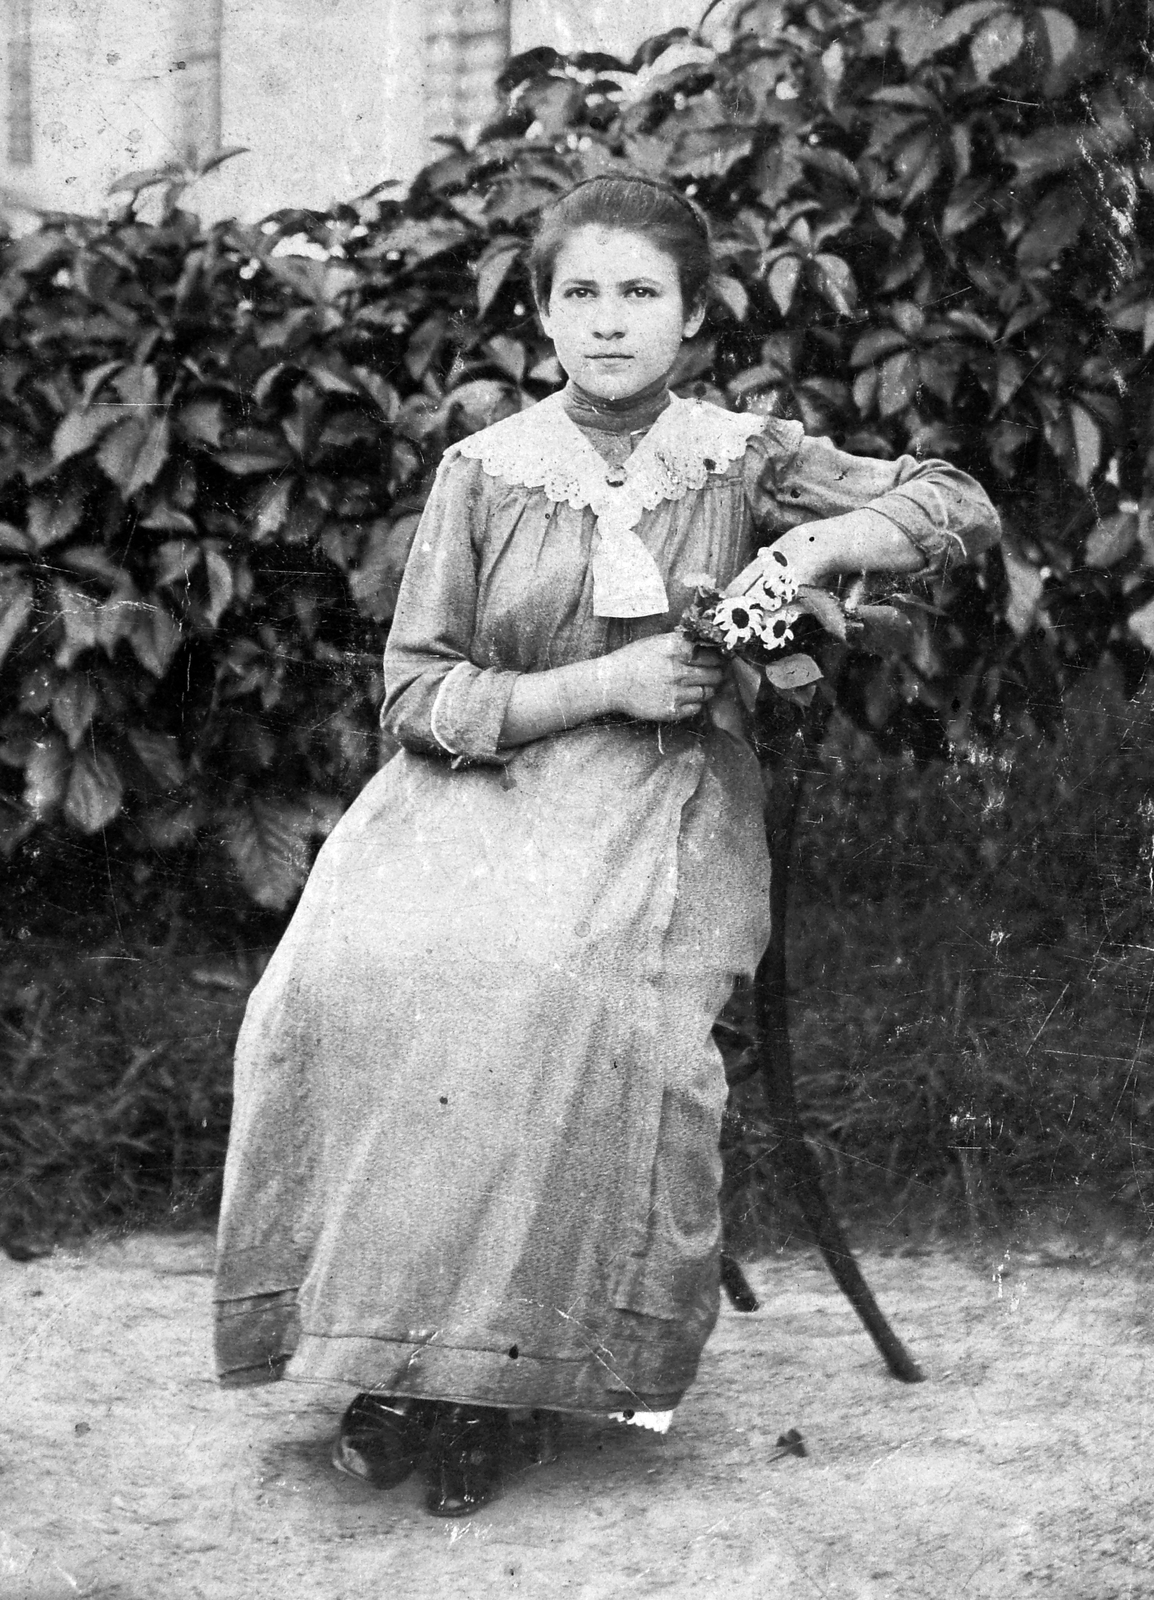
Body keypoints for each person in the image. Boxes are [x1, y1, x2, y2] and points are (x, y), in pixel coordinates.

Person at [213, 175, 999, 1517]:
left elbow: (954, 505)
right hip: (470, 795)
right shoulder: (485, 469)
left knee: (557, 990)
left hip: (666, 800)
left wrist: (814, 545)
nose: (609, 321)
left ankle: (507, 1382)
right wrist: (602, 684)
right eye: (579, 292)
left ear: (691, 314)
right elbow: (413, 694)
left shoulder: (740, 453)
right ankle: (401, 1357)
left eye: (641, 292)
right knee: (345, 976)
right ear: (540, 313)